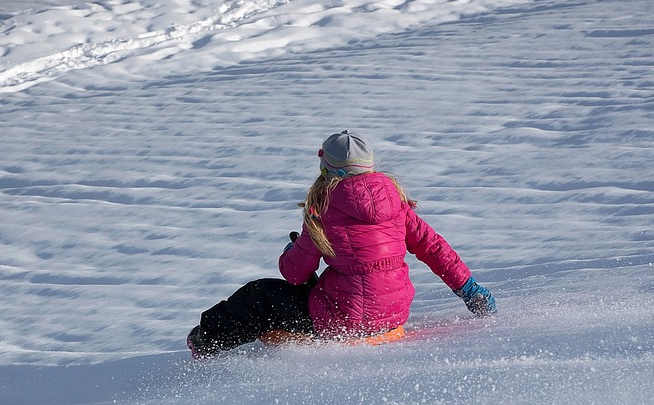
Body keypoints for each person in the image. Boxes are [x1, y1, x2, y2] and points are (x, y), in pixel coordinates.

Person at [187, 130, 496, 359]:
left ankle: (206, 343)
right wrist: (468, 289)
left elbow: (294, 274)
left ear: (327, 170)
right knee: (333, 284)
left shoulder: (322, 207)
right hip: (392, 315)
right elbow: (433, 248)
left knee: (259, 296)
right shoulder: (397, 203)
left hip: (343, 319)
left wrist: (291, 253)